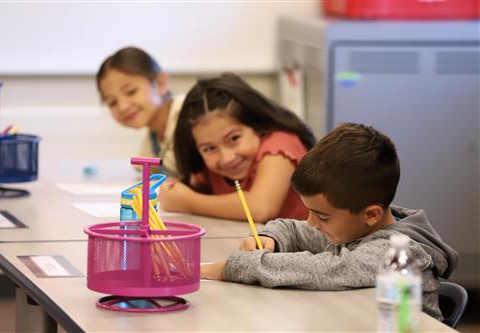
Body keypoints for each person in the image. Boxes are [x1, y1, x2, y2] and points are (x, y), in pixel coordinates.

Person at [200, 123, 459, 320]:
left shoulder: (397, 253)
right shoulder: (351, 227)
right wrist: (271, 239)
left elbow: (329, 269)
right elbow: (293, 228)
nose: (312, 223)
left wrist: (228, 269)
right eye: (310, 211)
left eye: (322, 216)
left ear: (370, 215)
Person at [158, 73, 316, 222]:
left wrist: (188, 202)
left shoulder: (280, 144)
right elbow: (195, 186)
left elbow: (261, 208)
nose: (227, 158)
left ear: (256, 125)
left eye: (234, 138)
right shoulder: (211, 167)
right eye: (209, 148)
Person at [96, 46, 183, 175]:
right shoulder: (153, 138)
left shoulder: (191, 117)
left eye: (131, 92)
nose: (123, 107)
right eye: (112, 102)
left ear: (160, 83)